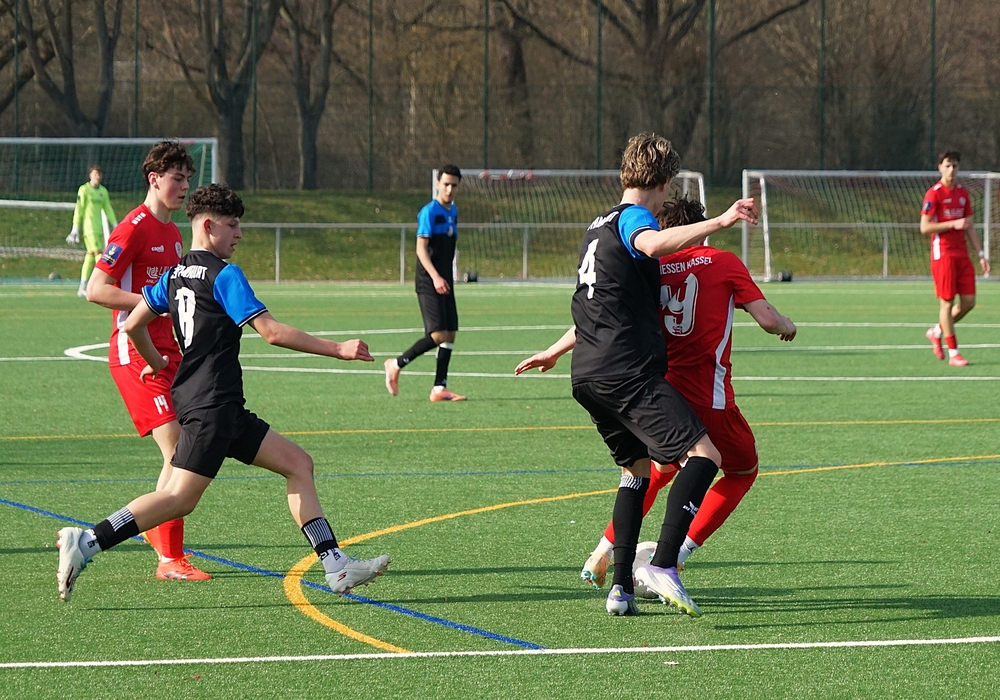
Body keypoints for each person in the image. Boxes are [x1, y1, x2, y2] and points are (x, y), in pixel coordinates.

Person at [57, 184, 391, 602]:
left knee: (298, 464)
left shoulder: (173, 275)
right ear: (209, 226)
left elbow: (133, 323)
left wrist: (156, 361)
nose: (239, 233)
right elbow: (271, 332)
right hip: (212, 405)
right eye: (232, 225)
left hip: (219, 405)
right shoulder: (224, 274)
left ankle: (335, 564)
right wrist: (337, 348)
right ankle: (88, 540)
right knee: (178, 498)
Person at [516, 134, 757, 617]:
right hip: (627, 372)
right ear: (663, 182)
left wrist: (553, 352)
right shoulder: (634, 219)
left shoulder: (596, 226)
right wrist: (721, 220)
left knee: (636, 474)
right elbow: (652, 241)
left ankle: (621, 588)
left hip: (588, 374)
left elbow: (600, 305)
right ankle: (665, 563)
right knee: (705, 455)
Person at [85, 141, 211, 581]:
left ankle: (155, 529)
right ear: (154, 179)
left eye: (188, 179)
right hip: (135, 352)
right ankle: (169, 558)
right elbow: (96, 289)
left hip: (166, 353)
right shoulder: (133, 227)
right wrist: (152, 303)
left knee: (185, 446)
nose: (184, 186)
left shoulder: (173, 233)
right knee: (178, 449)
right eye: (177, 178)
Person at [384, 165, 466, 402]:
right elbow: (421, 249)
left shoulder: (453, 211)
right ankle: (395, 364)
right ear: (438, 184)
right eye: (446, 184)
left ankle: (439, 388)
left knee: (450, 334)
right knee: (438, 334)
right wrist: (435, 276)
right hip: (429, 280)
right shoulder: (429, 212)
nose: (449, 189)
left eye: (454, 185)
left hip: (445, 280)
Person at [920, 150, 990, 366]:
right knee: (947, 303)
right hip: (943, 254)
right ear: (940, 167)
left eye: (955, 166)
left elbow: (969, 226)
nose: (951, 170)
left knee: (969, 302)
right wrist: (952, 224)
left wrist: (980, 254)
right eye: (948, 165)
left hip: (962, 254)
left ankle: (936, 331)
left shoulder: (962, 194)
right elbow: (925, 227)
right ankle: (954, 353)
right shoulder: (934, 194)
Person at [67, 165, 117, 298]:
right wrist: (75, 228)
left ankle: (83, 286)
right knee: (99, 255)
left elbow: (108, 208)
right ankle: (102, 283)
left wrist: (115, 224)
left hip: (99, 229)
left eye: (99, 174)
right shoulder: (84, 190)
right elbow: (79, 209)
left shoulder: (103, 191)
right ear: (90, 175)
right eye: (95, 174)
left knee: (90, 256)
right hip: (89, 229)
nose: (97, 177)